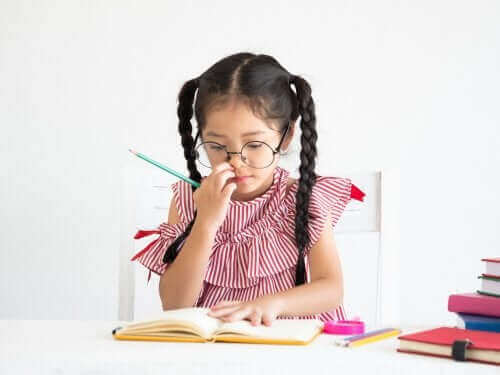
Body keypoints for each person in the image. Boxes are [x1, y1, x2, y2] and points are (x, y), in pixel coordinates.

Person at [131, 52, 365, 326]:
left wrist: (271, 304)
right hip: (215, 351)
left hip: (292, 346)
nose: (235, 161)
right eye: (217, 147)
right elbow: (174, 304)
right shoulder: (190, 199)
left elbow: (331, 289)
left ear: (287, 135)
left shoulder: (303, 198)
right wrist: (206, 223)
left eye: (254, 145)